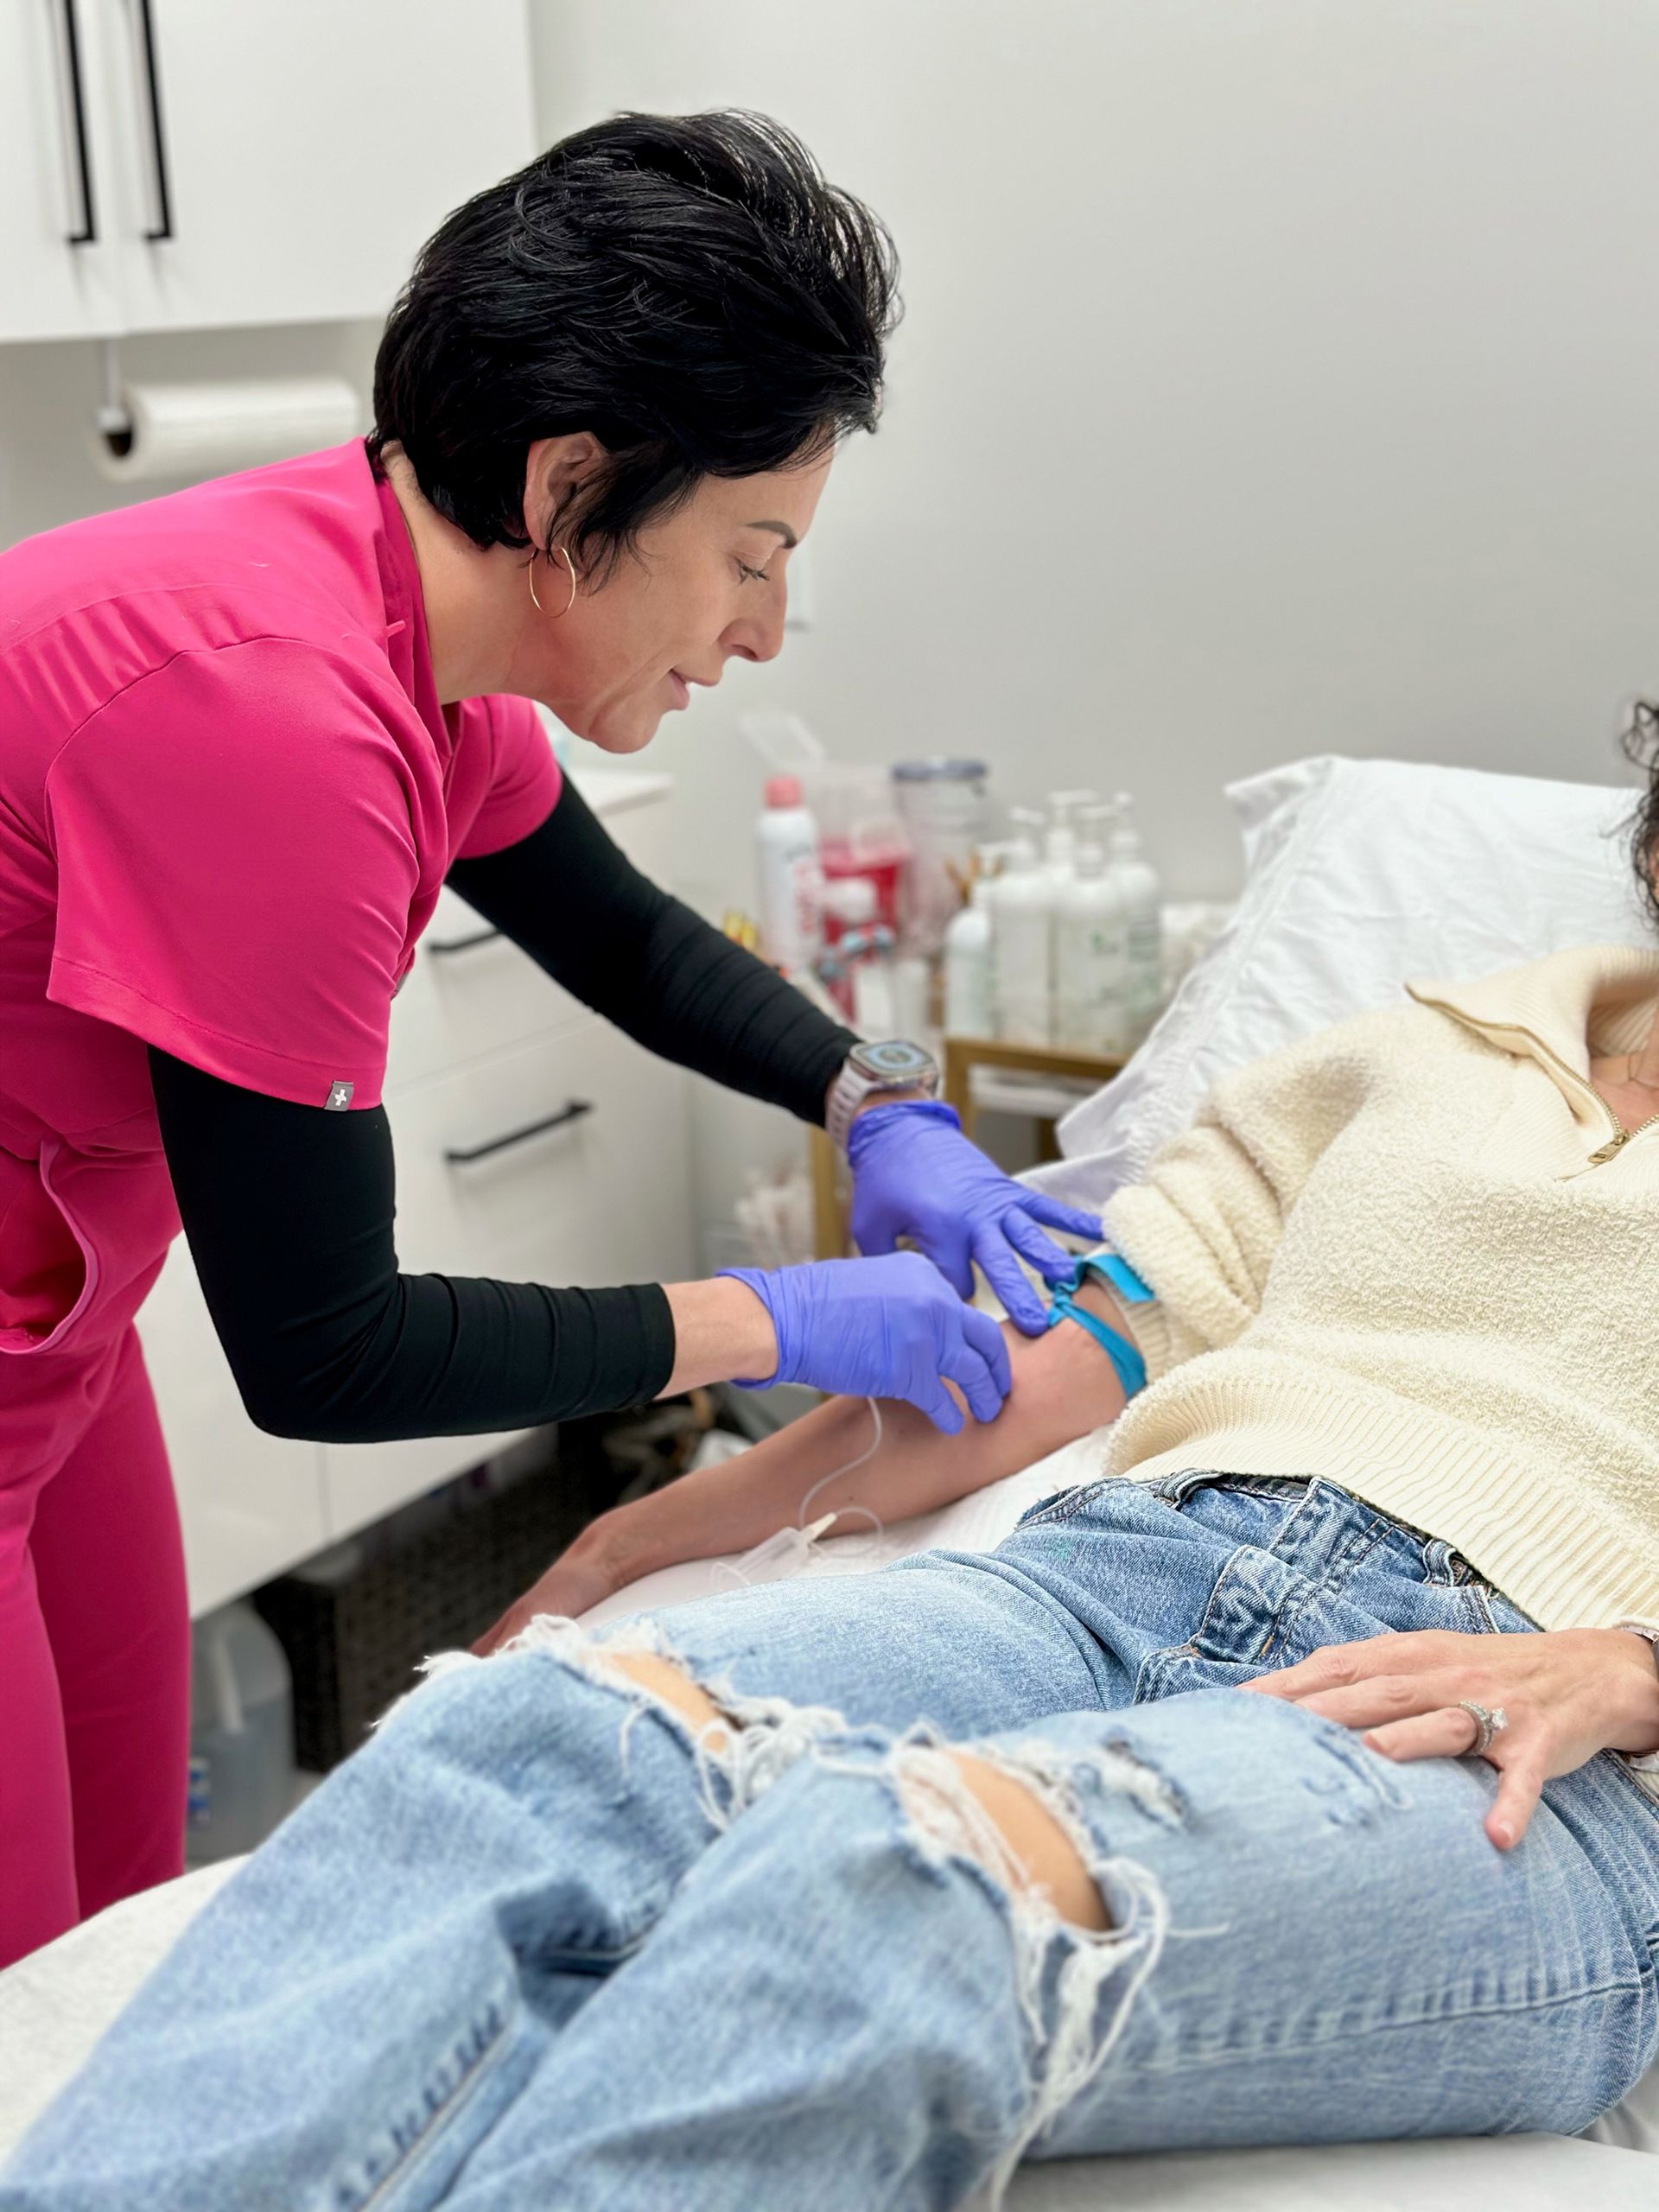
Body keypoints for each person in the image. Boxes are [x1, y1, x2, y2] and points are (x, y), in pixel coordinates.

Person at [10, 766, 1659, 2208]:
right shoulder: (1434, 1048)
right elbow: (1065, 1359)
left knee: (891, 1879)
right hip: (1115, 1574)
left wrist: (1631, 1667)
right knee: (520, 1738)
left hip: (1507, 1735)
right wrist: (629, 1540)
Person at [0, 109, 1105, 1972]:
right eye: (751, 553)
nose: (764, 631)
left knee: (110, 1912)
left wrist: (877, 1096)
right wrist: (785, 1315)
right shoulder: (279, 730)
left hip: (58, 1314)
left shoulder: (416, 608)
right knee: (20, 1973)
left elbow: (625, 934)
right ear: (573, 488)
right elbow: (327, 1350)